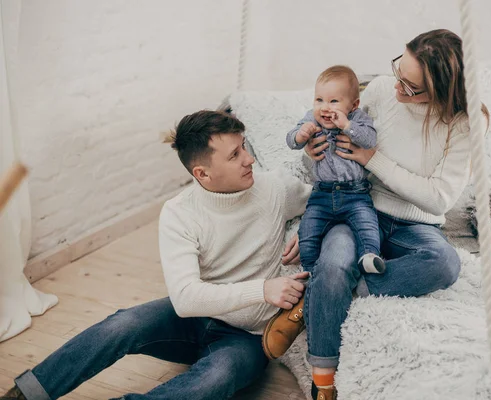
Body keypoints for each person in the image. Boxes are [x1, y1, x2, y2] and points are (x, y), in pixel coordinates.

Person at [1, 110, 312, 400]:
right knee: (121, 324)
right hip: (192, 320)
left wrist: (310, 229)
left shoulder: (275, 190)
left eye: (244, 147)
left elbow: (330, 203)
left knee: (218, 374)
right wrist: (263, 290)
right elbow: (186, 299)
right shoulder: (180, 213)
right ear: (202, 174)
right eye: (235, 155)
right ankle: (27, 394)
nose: (249, 160)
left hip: (247, 336)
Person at [265, 29, 489, 400]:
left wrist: (374, 160)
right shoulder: (385, 89)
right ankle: (323, 382)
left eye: (410, 85)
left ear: (442, 90)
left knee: (444, 263)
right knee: (334, 266)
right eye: (398, 69)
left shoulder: (466, 123)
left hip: (415, 222)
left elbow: (438, 198)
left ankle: (318, 298)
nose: (397, 85)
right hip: (357, 205)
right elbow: (342, 149)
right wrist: (314, 163)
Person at [286, 65, 385, 278]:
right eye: (319, 100)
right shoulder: (311, 119)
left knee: (367, 224)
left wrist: (347, 125)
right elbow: (291, 140)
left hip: (355, 194)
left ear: (353, 105)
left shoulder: (357, 119)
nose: (324, 107)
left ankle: (369, 257)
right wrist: (301, 136)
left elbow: (369, 140)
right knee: (308, 231)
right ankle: (310, 270)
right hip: (322, 194)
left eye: (333, 101)